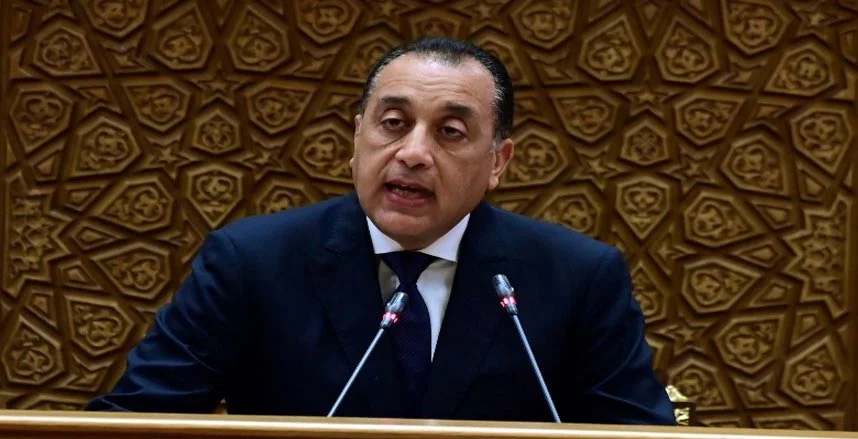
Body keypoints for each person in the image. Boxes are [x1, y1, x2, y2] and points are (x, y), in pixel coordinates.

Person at [86, 37, 675, 425]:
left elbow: (639, 436)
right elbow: (135, 423)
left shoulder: (578, 278)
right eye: (393, 123)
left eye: (450, 132)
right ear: (357, 138)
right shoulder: (251, 263)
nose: (412, 153)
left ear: (498, 162)